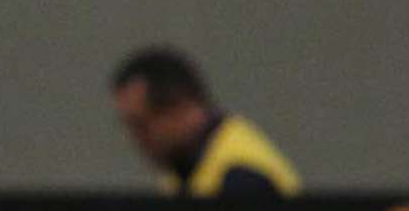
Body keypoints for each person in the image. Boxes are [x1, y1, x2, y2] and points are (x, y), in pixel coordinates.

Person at [110, 46, 299, 197]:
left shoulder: (243, 179)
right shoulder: (184, 169)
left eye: (141, 125)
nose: (135, 139)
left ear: (180, 107)